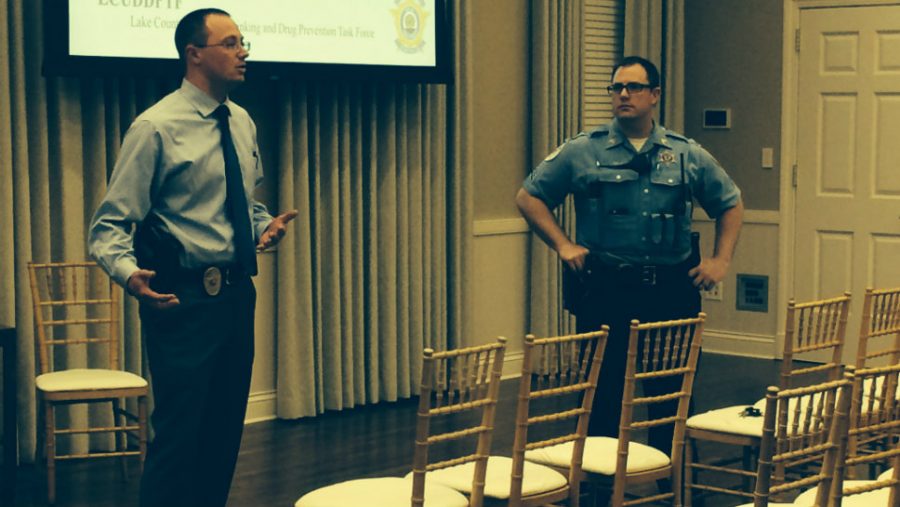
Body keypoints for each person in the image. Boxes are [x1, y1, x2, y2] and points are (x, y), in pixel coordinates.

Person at [88, 8, 297, 507]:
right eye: (229, 43)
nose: (243, 51)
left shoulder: (242, 122)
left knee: (223, 436)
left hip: (234, 298)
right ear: (194, 54)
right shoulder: (155, 127)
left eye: (243, 41)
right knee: (180, 439)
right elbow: (108, 227)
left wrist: (260, 226)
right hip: (179, 300)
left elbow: (242, 202)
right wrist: (128, 274)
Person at [516, 56, 743, 456]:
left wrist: (720, 260)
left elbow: (731, 203)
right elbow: (529, 196)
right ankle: (599, 489)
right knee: (599, 397)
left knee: (671, 396)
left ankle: (669, 484)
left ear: (654, 95)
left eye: (634, 87)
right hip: (607, 289)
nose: (623, 95)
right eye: (617, 88)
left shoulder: (685, 153)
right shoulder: (583, 150)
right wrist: (563, 245)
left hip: (671, 290)